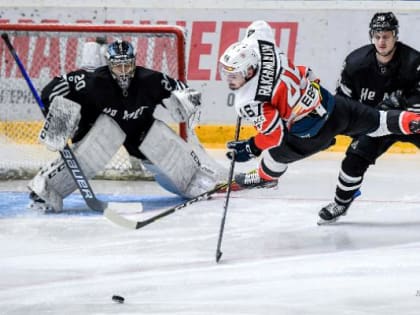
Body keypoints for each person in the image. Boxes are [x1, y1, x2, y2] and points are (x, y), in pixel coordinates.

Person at [218, 20, 420, 207]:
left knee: (274, 155)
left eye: (234, 75)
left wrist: (251, 147)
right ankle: (415, 120)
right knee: (379, 121)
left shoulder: (249, 100)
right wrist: (248, 43)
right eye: (227, 74)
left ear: (250, 70)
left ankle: (265, 177)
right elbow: (259, 26)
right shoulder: (263, 45)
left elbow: (274, 135)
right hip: (333, 106)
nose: (229, 81)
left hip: (311, 134)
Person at [29, 39, 227, 212]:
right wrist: (58, 118)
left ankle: (192, 179)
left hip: (139, 129)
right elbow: (54, 88)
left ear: (134, 63)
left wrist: (186, 102)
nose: (123, 72)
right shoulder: (92, 81)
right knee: (94, 149)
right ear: (108, 65)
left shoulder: (150, 79)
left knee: (158, 142)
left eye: (127, 65)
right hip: (99, 126)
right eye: (117, 66)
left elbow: (181, 89)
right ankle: (47, 188)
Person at [318, 12, 420, 224]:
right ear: (371, 36)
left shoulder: (414, 61)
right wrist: (332, 129)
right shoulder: (355, 64)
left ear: (395, 36)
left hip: (410, 120)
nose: (381, 41)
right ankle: (341, 202)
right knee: (353, 160)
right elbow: (343, 103)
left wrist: (401, 102)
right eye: (377, 35)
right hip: (377, 124)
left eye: (387, 35)